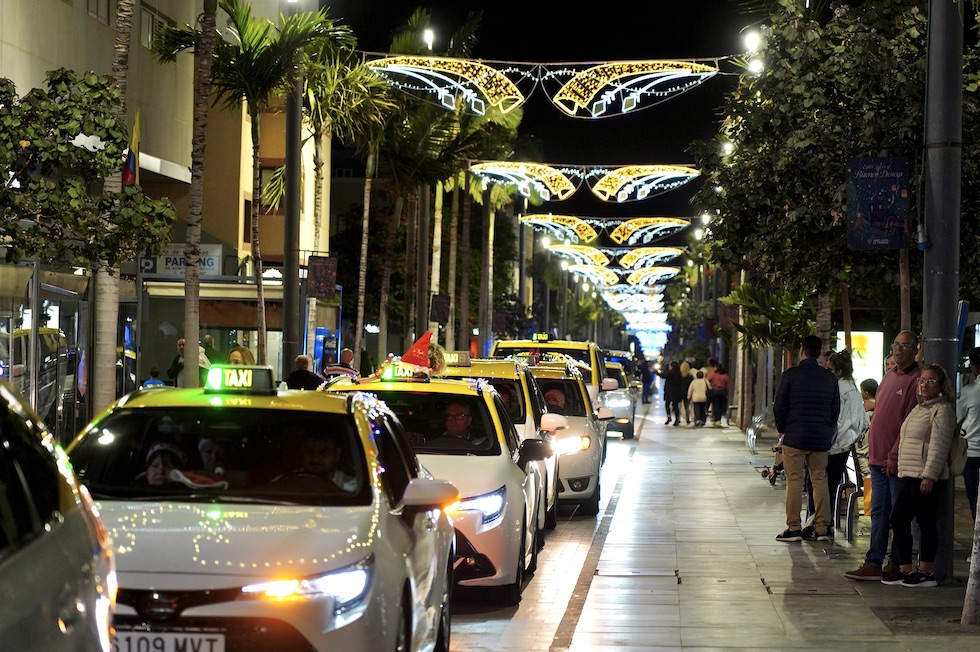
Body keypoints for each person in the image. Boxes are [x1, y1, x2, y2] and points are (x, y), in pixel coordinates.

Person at [844, 330, 921, 581]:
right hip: (876, 459)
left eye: (904, 345)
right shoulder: (889, 375)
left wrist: (893, 456)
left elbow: (908, 422)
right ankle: (874, 561)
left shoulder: (915, 379)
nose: (898, 350)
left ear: (915, 349)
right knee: (878, 511)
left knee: (897, 516)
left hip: (895, 461)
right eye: (895, 345)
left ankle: (897, 562)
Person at [882, 363, 956, 587]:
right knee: (898, 518)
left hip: (924, 476)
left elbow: (939, 446)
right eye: (922, 380)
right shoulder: (919, 408)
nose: (924, 385)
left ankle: (926, 571)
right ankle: (905, 569)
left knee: (925, 522)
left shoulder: (942, 410)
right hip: (910, 473)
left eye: (930, 381)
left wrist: (929, 476)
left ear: (941, 385)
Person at [772, 334, 840, 543]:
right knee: (819, 479)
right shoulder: (829, 377)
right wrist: (826, 429)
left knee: (794, 480)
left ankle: (794, 528)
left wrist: (782, 429)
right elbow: (835, 409)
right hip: (820, 438)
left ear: (802, 351)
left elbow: (779, 405)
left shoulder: (790, 375)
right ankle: (821, 528)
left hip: (795, 436)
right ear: (818, 353)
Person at [803, 350, 867, 538]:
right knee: (828, 483)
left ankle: (818, 521)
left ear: (837, 371)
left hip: (833, 443)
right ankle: (822, 521)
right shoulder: (852, 388)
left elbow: (834, 418)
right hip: (844, 443)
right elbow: (861, 421)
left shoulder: (838, 389)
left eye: (830, 369)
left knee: (819, 483)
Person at [957, 347, 980, 523]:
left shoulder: (969, 391)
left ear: (974, 367)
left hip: (971, 452)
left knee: (974, 498)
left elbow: (957, 417)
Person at [658, 361, 683, 426]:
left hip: (669, 392)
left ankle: (669, 417)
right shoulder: (679, 374)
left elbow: (662, 376)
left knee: (667, 405)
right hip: (676, 392)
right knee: (676, 406)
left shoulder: (670, 373)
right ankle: (677, 420)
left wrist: (655, 372)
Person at [680, 360, 694, 425]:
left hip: (682, 392)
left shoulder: (680, 376)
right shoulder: (690, 376)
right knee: (688, 405)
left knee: (681, 405)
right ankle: (688, 418)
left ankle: (680, 418)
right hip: (689, 392)